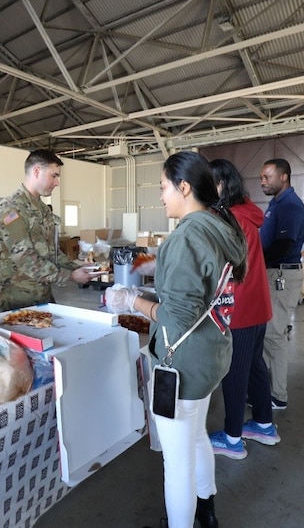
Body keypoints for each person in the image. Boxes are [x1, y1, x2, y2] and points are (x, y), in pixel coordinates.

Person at [107, 151, 248, 528]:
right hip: (211, 356)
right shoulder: (219, 226)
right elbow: (201, 289)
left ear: (184, 187)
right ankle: (207, 511)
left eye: (163, 187)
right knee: (196, 435)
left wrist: (131, 300)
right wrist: (161, 267)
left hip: (182, 364)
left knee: (177, 460)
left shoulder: (187, 235)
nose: (160, 196)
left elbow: (178, 316)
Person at [207, 158, 280, 460]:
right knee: (253, 366)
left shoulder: (228, 219)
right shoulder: (245, 212)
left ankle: (233, 438)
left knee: (234, 373)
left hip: (239, 309)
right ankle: (263, 424)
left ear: (221, 185)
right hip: (258, 307)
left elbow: (220, 268)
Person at [0, 149, 94, 310]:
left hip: (43, 296)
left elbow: (52, 252)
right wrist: (70, 276)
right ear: (37, 171)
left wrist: (78, 267)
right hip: (18, 300)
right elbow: (25, 259)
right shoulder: (11, 209)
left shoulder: (42, 209)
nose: (57, 182)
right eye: (54, 176)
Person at [259, 158, 304, 410]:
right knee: (267, 333)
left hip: (281, 276)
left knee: (274, 334)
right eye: (262, 178)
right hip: (272, 273)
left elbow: (284, 246)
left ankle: (278, 395)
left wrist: (254, 260)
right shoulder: (276, 203)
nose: (263, 182)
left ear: (284, 177)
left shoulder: (290, 206)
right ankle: (266, 387)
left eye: (267, 177)